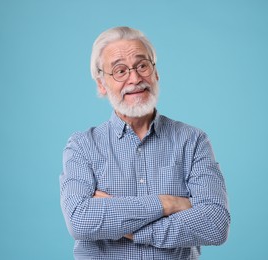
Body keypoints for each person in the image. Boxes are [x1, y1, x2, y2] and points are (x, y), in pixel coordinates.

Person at [60, 26, 230, 259]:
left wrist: (125, 227)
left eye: (142, 66)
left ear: (155, 72)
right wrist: (167, 204)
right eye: (120, 71)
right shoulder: (82, 146)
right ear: (101, 84)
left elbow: (215, 224)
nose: (135, 78)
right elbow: (80, 221)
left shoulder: (193, 141)